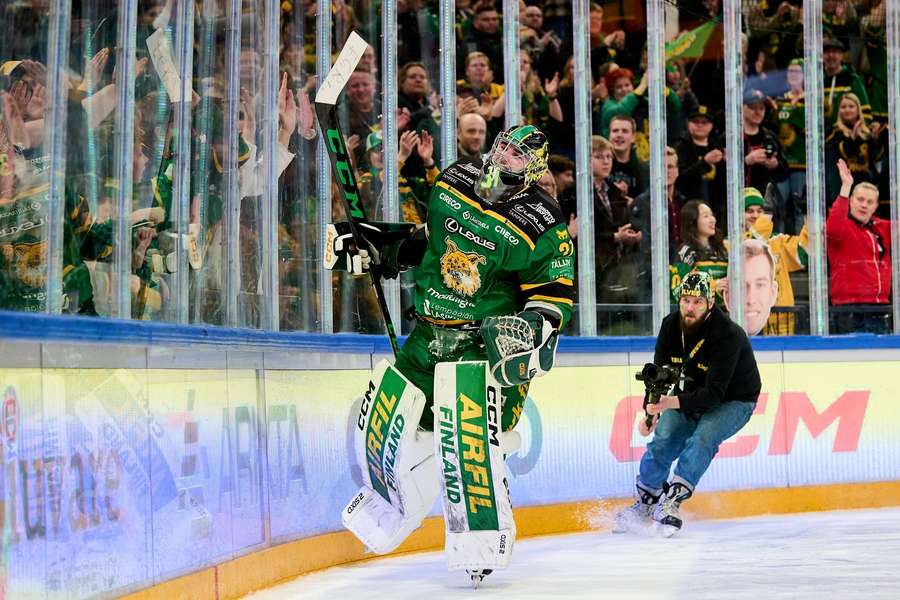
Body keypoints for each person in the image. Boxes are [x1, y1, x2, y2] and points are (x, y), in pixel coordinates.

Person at [325, 124, 574, 584]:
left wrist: (534, 327)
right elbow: (431, 242)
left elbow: (554, 293)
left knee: (470, 442)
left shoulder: (543, 220)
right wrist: (380, 245)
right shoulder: (455, 177)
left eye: (518, 155)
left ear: (534, 167)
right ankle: (388, 507)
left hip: (482, 350)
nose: (503, 155)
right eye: (502, 145)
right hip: (427, 337)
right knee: (388, 426)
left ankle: (482, 534)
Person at [614, 271, 761, 536]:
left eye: (697, 302)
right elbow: (657, 374)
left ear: (710, 304)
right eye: (685, 301)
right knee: (663, 439)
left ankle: (671, 502)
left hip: (734, 399)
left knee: (704, 437)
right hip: (692, 392)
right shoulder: (670, 325)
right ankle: (646, 503)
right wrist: (650, 412)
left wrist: (669, 402)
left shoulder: (727, 334)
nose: (690, 308)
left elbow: (715, 394)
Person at [827, 158, 892, 334]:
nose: (864, 205)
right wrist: (845, 188)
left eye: (870, 202)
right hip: (848, 308)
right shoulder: (842, 225)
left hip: (879, 307)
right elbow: (832, 229)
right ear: (851, 201)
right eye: (860, 199)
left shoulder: (881, 227)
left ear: (876, 206)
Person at [670, 200, 728, 305]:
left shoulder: (724, 249)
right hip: (698, 315)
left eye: (712, 215)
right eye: (706, 216)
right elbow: (678, 292)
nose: (712, 220)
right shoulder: (685, 253)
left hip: (725, 314)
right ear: (692, 221)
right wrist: (713, 287)